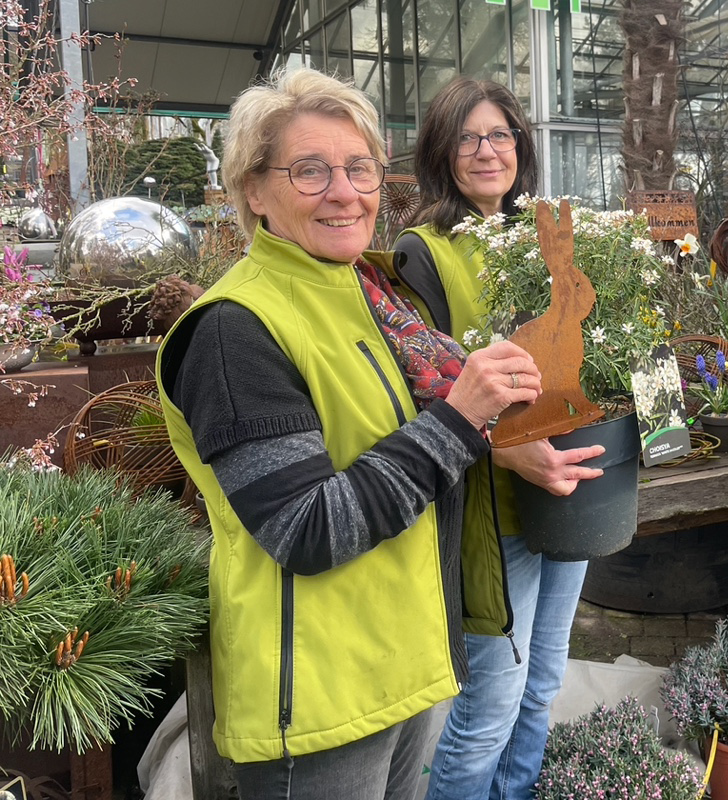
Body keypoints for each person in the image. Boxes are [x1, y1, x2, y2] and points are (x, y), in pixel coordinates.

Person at [155, 68, 545, 800]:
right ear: (253, 191)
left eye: (359, 167)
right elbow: (307, 528)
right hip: (319, 698)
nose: (344, 191)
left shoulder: (369, 295)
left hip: (404, 662)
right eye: (309, 170)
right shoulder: (233, 332)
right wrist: (459, 417)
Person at [393, 77, 604, 800]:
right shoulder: (420, 254)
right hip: (493, 509)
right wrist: (506, 445)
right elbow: (414, 391)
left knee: (542, 681)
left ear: (522, 147)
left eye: (501, 135)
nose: (488, 152)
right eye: (468, 137)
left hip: (567, 490)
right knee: (490, 704)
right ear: (441, 152)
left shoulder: (545, 238)